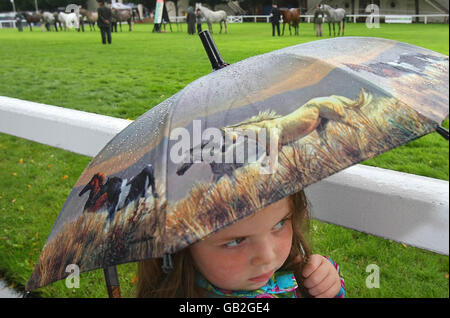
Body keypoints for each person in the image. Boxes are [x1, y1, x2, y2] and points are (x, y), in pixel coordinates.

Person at [137, 190, 346, 298]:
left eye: (279, 224)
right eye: (236, 241)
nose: (267, 256)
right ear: (180, 245)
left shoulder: (295, 271)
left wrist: (326, 286)